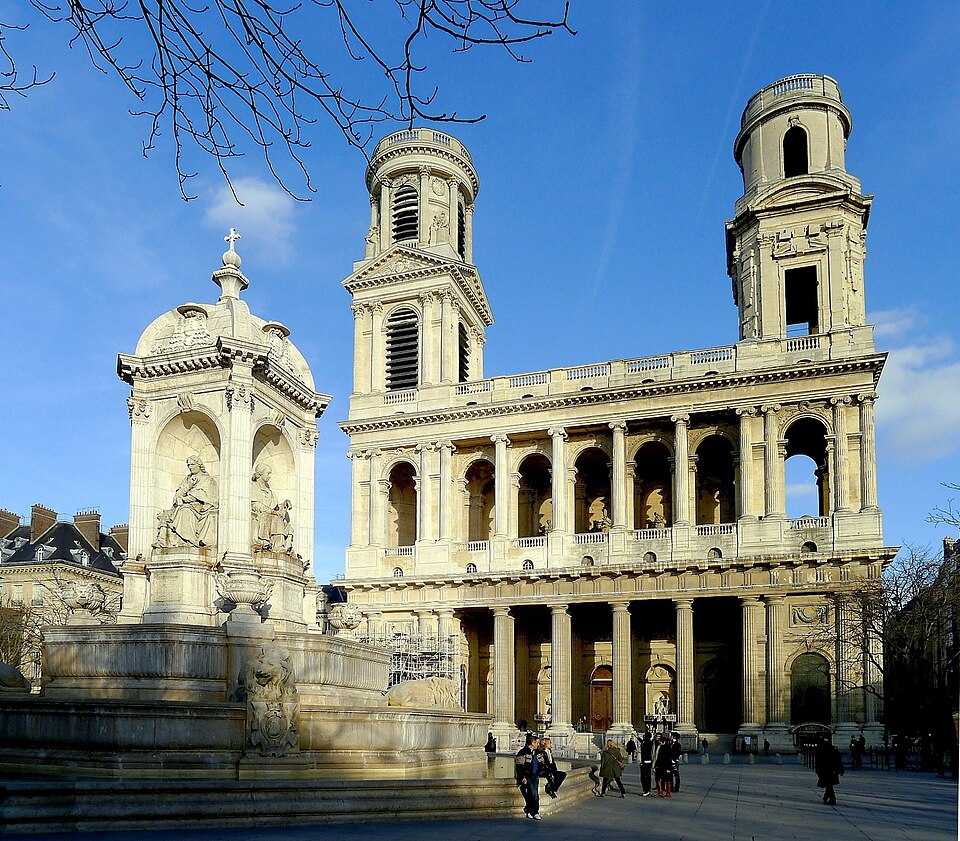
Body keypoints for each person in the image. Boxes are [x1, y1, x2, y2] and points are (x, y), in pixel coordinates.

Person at [153, 455, 219, 548]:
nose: (190, 467)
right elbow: (177, 495)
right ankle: (162, 541)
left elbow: (204, 496)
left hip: (200, 507)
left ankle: (189, 540)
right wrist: (189, 485)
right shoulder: (188, 479)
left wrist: (184, 499)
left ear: (199, 465)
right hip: (184, 505)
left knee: (185, 511)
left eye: (192, 464)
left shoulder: (207, 479)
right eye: (188, 465)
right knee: (167, 514)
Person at [515, 733, 542, 819]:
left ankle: (532, 811)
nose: (538, 744)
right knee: (532, 794)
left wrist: (540, 772)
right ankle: (534, 812)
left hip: (535, 775)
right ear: (532, 743)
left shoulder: (538, 752)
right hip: (528, 776)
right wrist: (522, 777)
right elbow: (519, 766)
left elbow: (541, 764)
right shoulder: (522, 752)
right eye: (537, 743)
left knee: (535, 794)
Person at [814, 735, 844, 805]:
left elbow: (818, 761)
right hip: (831, 770)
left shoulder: (821, 750)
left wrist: (817, 769)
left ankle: (832, 799)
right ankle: (826, 796)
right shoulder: (833, 750)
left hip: (826, 770)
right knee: (828, 784)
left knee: (828, 784)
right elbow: (838, 760)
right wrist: (840, 769)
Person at [639, 731, 654, 796]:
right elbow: (642, 741)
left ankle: (646, 790)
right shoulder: (649, 742)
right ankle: (648, 788)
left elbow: (643, 743)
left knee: (644, 777)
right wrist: (637, 737)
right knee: (648, 776)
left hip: (645, 761)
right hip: (648, 761)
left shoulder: (646, 743)